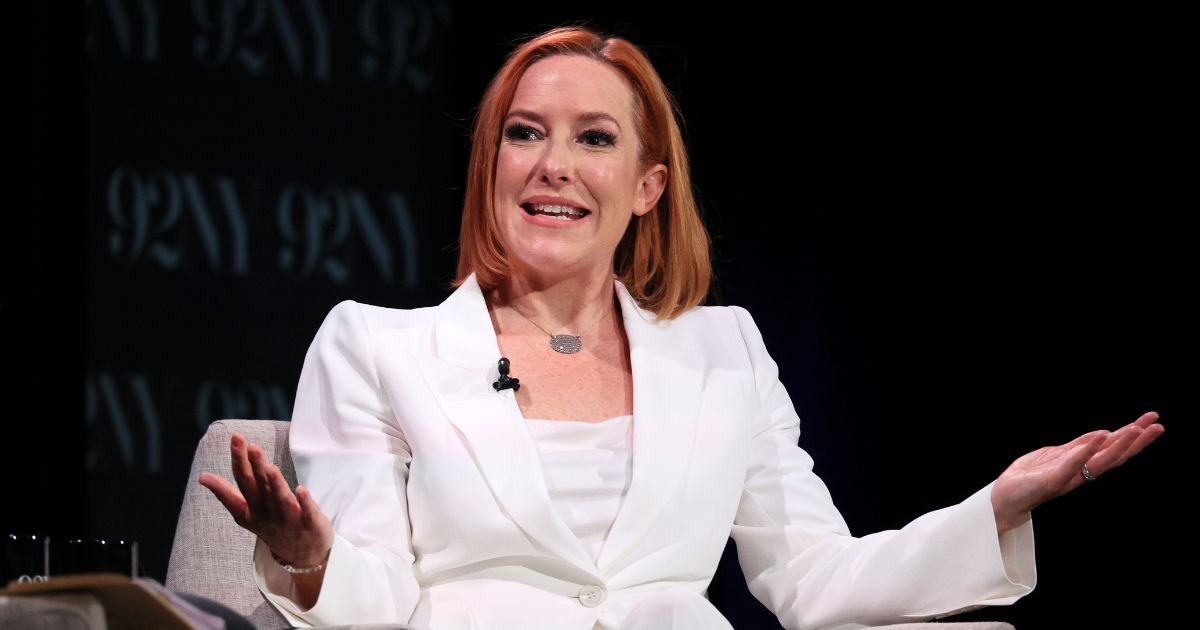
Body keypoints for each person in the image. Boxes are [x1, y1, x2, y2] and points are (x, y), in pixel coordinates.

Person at [198, 26, 1163, 629]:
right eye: (524, 133)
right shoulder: (376, 346)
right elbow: (376, 607)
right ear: (491, 165)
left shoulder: (723, 350)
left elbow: (812, 576)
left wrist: (994, 508)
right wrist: (309, 556)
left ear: (648, 187)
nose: (552, 165)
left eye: (594, 138)